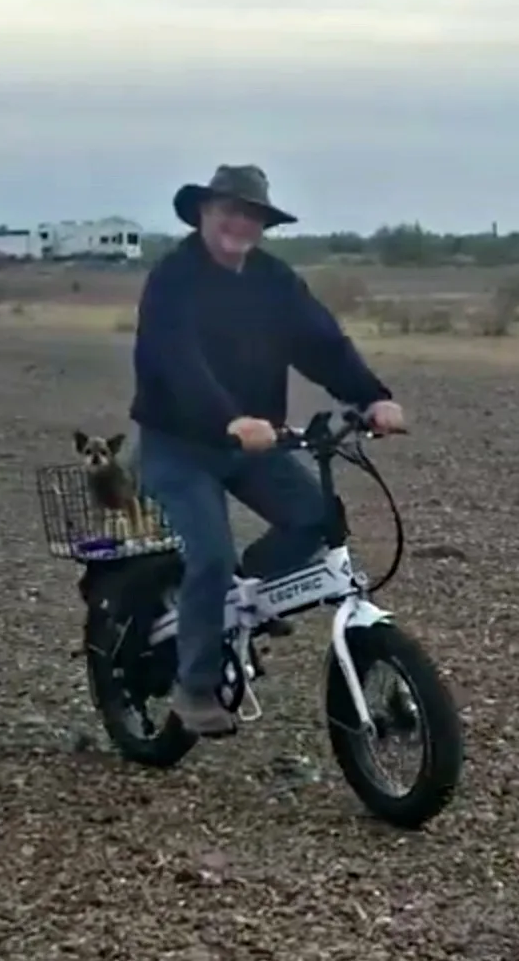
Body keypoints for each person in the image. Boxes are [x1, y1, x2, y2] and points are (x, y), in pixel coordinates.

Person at [130, 164, 405, 737]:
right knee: (209, 552)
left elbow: (322, 344)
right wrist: (228, 418)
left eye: (251, 214)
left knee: (316, 516)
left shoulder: (273, 281)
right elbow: (177, 361)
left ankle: (243, 600)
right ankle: (194, 685)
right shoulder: (173, 279)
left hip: (252, 441)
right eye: (228, 210)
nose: (239, 223)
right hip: (179, 444)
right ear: (204, 213)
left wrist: (372, 396)